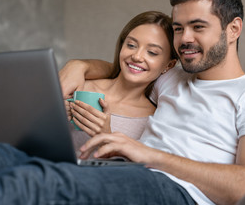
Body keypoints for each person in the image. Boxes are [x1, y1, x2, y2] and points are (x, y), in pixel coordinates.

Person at [0, 0, 245, 205]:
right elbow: (125, 67)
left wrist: (147, 154)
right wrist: (78, 66)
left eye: (198, 27)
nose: (184, 39)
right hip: (126, 174)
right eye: (178, 28)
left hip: (177, 194)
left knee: (38, 184)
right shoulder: (173, 78)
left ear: (233, 28)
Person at [66, 11, 177, 151]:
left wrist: (106, 136)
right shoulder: (79, 87)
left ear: (168, 65)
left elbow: (139, 171)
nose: (137, 56)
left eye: (152, 52)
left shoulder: (155, 120)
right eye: (131, 45)